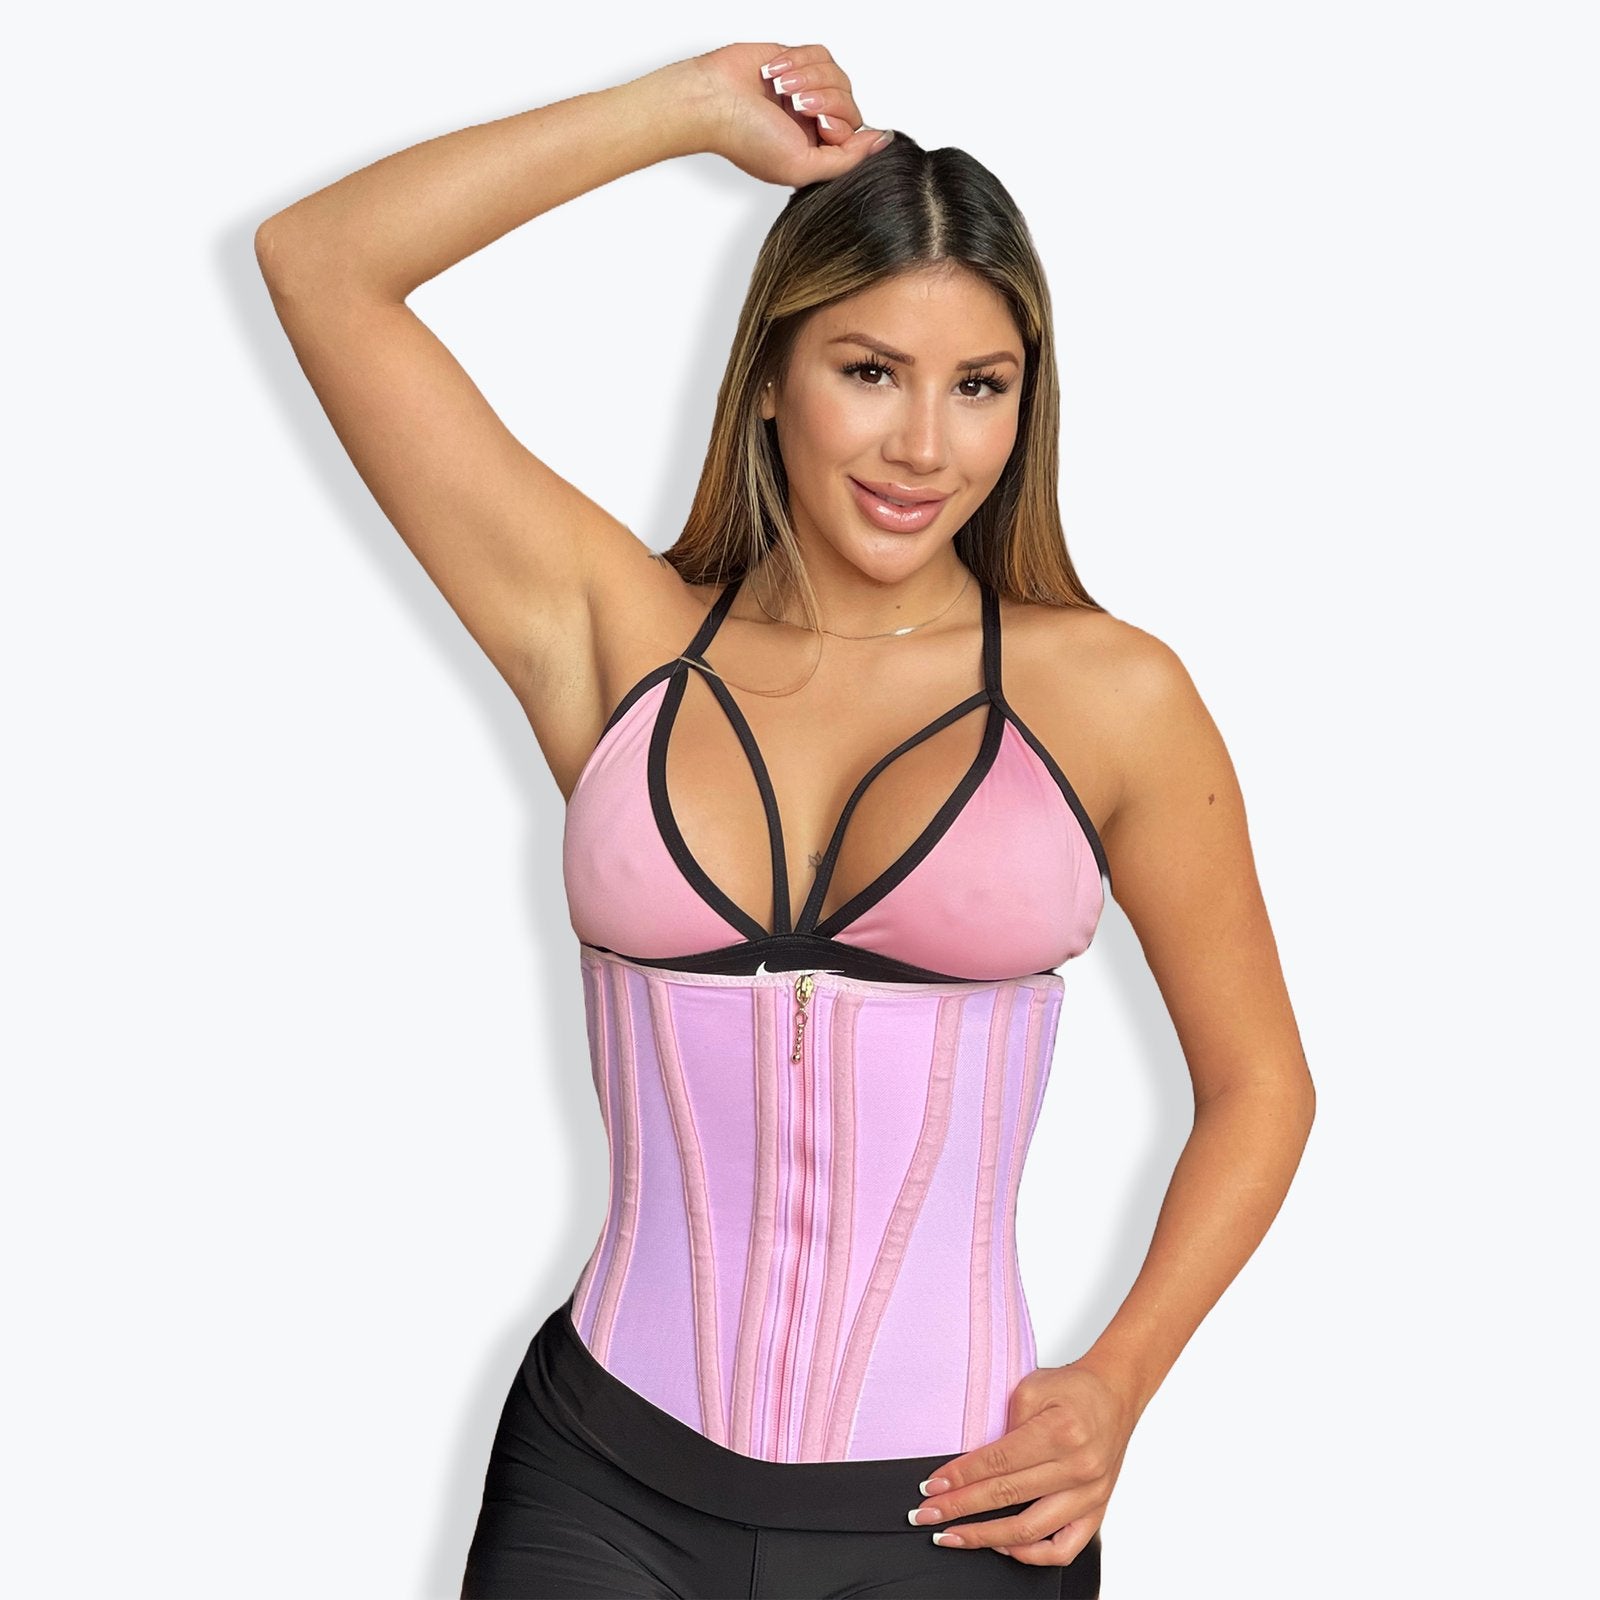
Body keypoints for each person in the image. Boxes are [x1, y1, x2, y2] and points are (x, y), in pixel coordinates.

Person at [256, 40, 1316, 1600]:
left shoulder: (1112, 695)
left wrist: (1117, 1383)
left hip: (955, 1509)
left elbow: (1260, 1086)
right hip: (599, 1481)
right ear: (768, 374)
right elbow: (324, 263)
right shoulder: (619, 639)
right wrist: (683, 111)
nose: (923, 446)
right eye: (868, 370)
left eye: (979, 386)